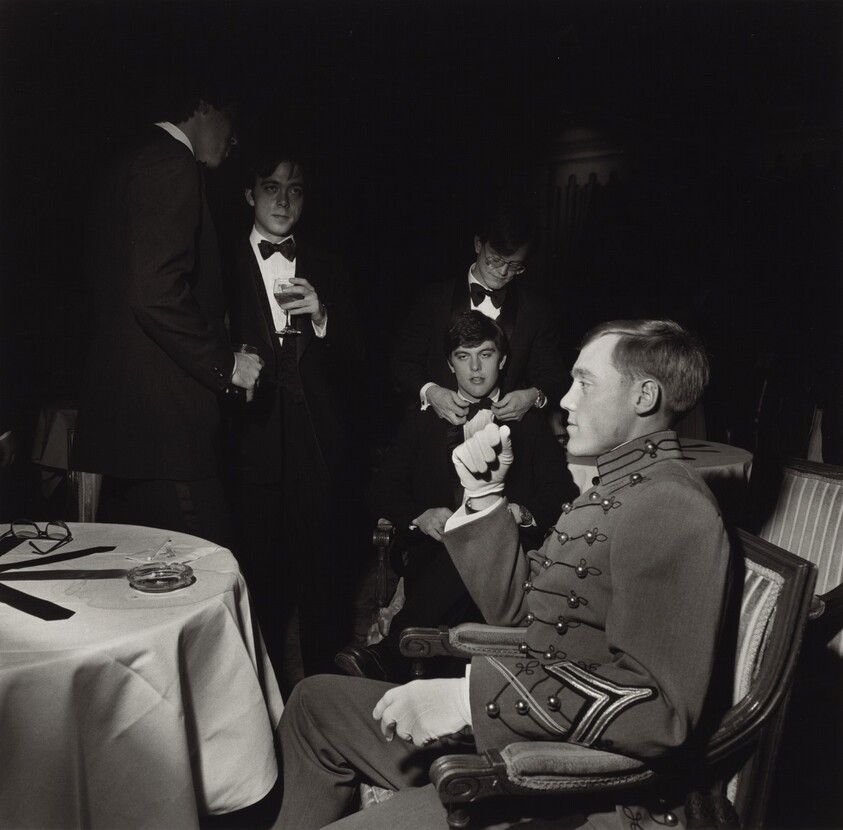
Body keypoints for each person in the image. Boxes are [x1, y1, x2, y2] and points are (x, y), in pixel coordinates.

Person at [278, 319, 733, 829]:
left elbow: (661, 711)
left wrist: (465, 700)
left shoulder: (670, 504)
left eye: (584, 382)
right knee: (313, 702)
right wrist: (485, 495)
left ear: (644, 396)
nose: (564, 400)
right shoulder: (619, 488)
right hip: (525, 727)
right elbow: (519, 611)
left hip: (569, 786)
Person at [336, 311, 576, 682]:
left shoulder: (527, 421)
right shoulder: (424, 420)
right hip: (433, 555)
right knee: (461, 549)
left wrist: (522, 513)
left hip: (506, 560)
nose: (476, 367)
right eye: (464, 356)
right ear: (450, 364)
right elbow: (380, 489)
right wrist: (419, 515)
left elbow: (561, 491)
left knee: (478, 543)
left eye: (486, 354)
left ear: (504, 359)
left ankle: (389, 654)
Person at [73, 77, 261, 546]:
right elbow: (154, 292)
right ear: (201, 106)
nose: (234, 138)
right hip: (166, 433)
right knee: (209, 575)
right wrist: (229, 363)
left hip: (129, 431)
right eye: (230, 120)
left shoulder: (126, 160)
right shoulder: (170, 162)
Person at [225, 151, 364, 683]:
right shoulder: (220, 261)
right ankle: (262, 718)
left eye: (296, 190)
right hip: (248, 447)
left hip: (318, 452)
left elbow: (359, 359)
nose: (283, 200)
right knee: (258, 591)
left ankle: (323, 721)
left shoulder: (328, 264)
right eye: (271, 187)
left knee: (324, 593)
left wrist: (324, 317)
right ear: (248, 194)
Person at [390, 198, 567, 426]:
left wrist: (533, 396)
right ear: (477, 244)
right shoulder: (433, 299)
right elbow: (402, 363)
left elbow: (555, 376)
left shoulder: (537, 310)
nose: (503, 272)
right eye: (495, 259)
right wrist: (431, 393)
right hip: (436, 431)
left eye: (515, 266)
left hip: (508, 437)